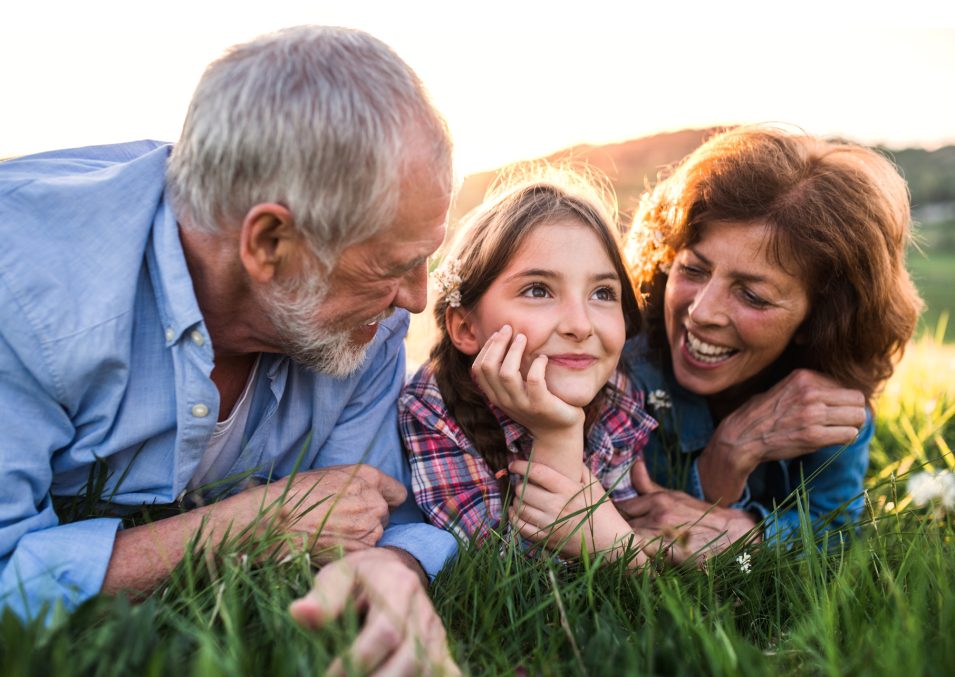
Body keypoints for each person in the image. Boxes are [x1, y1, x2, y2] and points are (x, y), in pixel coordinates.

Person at [0, 26, 459, 673]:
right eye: (394, 266)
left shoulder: (365, 323)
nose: (416, 299)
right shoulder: (23, 291)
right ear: (269, 242)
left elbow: (361, 514)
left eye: (425, 262)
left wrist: (388, 564)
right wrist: (248, 523)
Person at [608, 125, 923, 560]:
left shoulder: (827, 394)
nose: (701, 312)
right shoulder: (616, 361)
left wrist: (750, 531)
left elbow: (836, 530)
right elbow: (621, 525)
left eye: (752, 295)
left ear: (820, 320)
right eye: (694, 270)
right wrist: (722, 467)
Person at [399, 166, 657, 563]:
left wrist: (619, 542)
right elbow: (510, 584)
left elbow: (616, 532)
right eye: (539, 290)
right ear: (466, 327)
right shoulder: (433, 412)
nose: (579, 325)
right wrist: (557, 437)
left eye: (603, 293)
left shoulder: (614, 393)